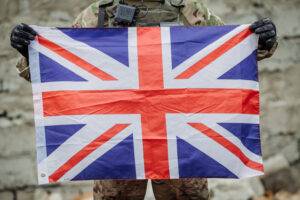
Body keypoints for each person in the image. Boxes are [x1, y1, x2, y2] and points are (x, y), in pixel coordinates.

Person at [10, 0, 278, 199]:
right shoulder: (98, 14)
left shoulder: (188, 10)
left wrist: (263, 39)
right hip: (118, 144)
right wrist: (29, 50)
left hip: (180, 141)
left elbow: (235, 49)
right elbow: (54, 67)